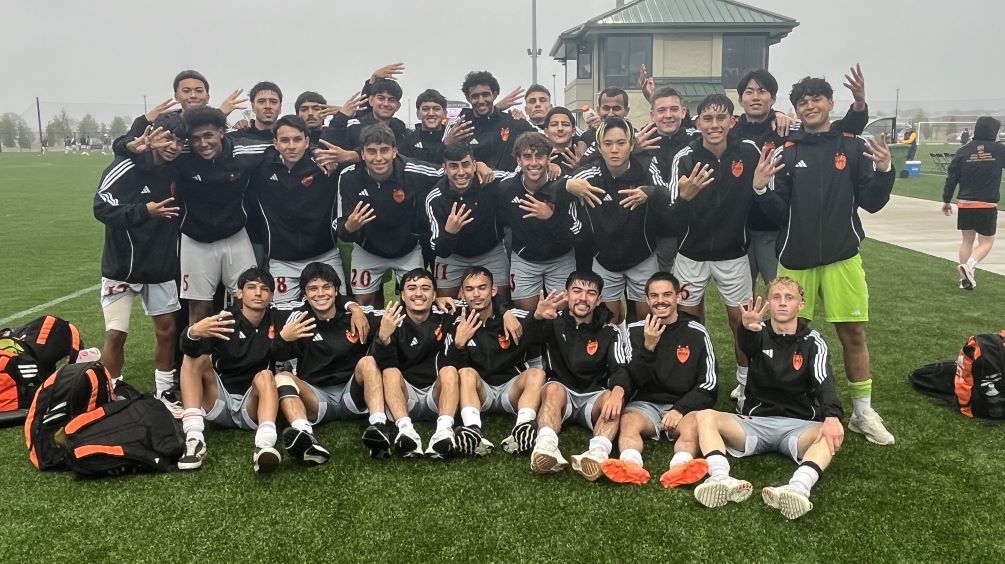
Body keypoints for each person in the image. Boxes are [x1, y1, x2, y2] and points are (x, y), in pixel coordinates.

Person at [754, 76, 896, 445]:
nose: (810, 106)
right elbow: (775, 213)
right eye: (802, 102)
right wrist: (758, 187)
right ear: (796, 109)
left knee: (852, 333)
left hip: (842, 256)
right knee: (786, 336)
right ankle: (786, 403)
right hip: (795, 260)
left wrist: (884, 172)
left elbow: (873, 201)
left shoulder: (851, 147)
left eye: (816, 99)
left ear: (831, 103)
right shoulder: (786, 150)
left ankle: (862, 412)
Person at [691, 277, 844, 520]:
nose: (782, 303)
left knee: (831, 431)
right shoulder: (757, 332)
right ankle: (721, 477)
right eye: (776, 297)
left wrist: (833, 416)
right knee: (705, 416)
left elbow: (824, 380)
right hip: (755, 422)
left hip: (798, 426)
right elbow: (748, 344)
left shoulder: (813, 341)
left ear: (801, 304)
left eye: (789, 297)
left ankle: (798, 488)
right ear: (769, 304)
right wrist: (745, 328)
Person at [668, 93, 761, 411]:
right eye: (707, 118)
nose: (714, 124)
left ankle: (746, 385)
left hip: (733, 254)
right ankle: (698, 380)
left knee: (741, 320)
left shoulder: (748, 152)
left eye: (721, 117)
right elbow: (672, 216)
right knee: (689, 321)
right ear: (697, 123)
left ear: (732, 121)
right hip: (691, 255)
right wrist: (686, 197)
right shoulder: (685, 157)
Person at [93, 113, 187, 408]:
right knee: (116, 334)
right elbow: (100, 207)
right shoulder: (125, 166)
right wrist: (144, 211)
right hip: (121, 267)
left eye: (179, 141)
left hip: (159, 266)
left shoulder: (177, 170)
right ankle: (110, 391)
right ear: (153, 135)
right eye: (168, 137)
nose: (173, 145)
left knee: (166, 329)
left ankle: (164, 390)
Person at [597, 272, 716, 486]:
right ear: (647, 300)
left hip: (683, 405)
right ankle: (630, 465)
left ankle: (680, 468)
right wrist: (648, 347)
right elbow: (633, 378)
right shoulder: (633, 332)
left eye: (667, 294)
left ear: (679, 297)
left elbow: (708, 383)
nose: (661, 300)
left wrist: (680, 408)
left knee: (691, 428)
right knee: (628, 422)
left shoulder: (697, 333)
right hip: (645, 404)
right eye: (654, 295)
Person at [271, 262, 387, 458]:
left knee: (369, 362)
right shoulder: (296, 317)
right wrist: (283, 339)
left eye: (326, 287)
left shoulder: (355, 316)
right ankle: (304, 436)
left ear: (336, 290)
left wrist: (354, 307)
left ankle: (379, 426)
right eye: (313, 289)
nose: (320, 294)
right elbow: (263, 310)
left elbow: (395, 315)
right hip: (316, 399)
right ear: (304, 294)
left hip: (352, 394)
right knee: (282, 376)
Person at [527, 271, 632, 480]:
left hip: (594, 397)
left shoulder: (610, 331)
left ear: (599, 299)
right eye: (577, 291)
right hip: (562, 394)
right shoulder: (552, 321)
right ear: (566, 294)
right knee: (553, 388)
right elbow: (524, 343)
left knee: (613, 397)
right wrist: (536, 318)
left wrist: (618, 392)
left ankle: (598, 453)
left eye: (591, 293)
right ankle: (546, 446)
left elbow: (622, 368)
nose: (583, 298)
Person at [565, 117, 670, 324]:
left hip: (642, 257)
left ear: (632, 145)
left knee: (646, 319)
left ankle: (641, 354)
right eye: (608, 143)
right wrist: (568, 185)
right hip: (604, 260)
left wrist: (649, 192)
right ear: (600, 147)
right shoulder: (589, 173)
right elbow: (560, 191)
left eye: (621, 143)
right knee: (607, 321)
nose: (614, 149)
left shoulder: (647, 167)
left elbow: (667, 192)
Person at [177, 267, 282, 473]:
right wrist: (193, 332)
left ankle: (264, 444)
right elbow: (188, 349)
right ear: (240, 293)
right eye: (252, 287)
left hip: (253, 405)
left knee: (266, 375)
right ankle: (194, 437)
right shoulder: (224, 319)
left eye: (264, 289)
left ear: (271, 295)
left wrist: (352, 306)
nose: (258, 293)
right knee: (194, 359)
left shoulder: (278, 319)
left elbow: (314, 305)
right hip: (220, 400)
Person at [445, 267, 554, 456]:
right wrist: (459, 345)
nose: (476, 295)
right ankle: (473, 429)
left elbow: (537, 334)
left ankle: (523, 428)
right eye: (469, 289)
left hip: (511, 389)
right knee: (466, 373)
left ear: (493, 290)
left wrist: (536, 317)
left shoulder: (513, 317)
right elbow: (450, 368)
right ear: (461, 293)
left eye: (482, 288)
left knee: (537, 373)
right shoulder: (455, 320)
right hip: (480, 391)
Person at [334, 124, 442, 306]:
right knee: (363, 304)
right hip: (367, 250)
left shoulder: (412, 170)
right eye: (371, 151)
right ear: (361, 154)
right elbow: (339, 226)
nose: (378, 158)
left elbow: (450, 172)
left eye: (384, 150)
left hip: (407, 250)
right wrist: (349, 227)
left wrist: (478, 164)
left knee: (417, 303)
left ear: (394, 151)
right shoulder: (348, 177)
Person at [249, 115, 346, 303]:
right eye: (284, 140)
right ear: (275, 143)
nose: (291, 146)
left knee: (336, 313)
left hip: (324, 255)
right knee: (282, 319)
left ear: (307, 142)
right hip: (281, 260)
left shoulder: (325, 166)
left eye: (297, 139)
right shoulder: (261, 167)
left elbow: (367, 157)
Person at [373, 268, 461, 458]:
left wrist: (504, 312)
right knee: (390, 372)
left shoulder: (447, 314)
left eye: (426, 288)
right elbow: (379, 364)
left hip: (436, 396)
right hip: (405, 397)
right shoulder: (390, 320)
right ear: (402, 295)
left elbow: (481, 299)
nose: (419, 293)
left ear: (435, 294)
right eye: (412, 288)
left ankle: (444, 433)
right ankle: (406, 431)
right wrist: (384, 338)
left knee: (450, 371)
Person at [497, 132, 581, 312]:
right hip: (525, 259)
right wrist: (479, 165)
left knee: (561, 313)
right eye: (527, 157)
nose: (534, 163)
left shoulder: (564, 187)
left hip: (561, 257)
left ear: (548, 158)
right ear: (518, 160)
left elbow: (576, 235)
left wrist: (550, 218)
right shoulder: (506, 188)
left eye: (539, 156)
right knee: (526, 314)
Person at [426, 142, 510, 300]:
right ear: (445, 169)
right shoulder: (435, 197)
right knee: (446, 304)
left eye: (465, 165)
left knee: (501, 301)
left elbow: (522, 176)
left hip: (491, 252)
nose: (461, 172)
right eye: (453, 166)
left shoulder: (489, 179)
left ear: (474, 165)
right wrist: (450, 232)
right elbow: (438, 250)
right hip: (452, 256)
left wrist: (552, 167)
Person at [942, 116, 1005, 290]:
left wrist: (947, 200)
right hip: (986, 204)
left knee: (967, 241)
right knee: (986, 242)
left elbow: (952, 177)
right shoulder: (999, 150)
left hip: (965, 203)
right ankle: (968, 267)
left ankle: (965, 280)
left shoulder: (964, 150)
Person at [445, 70, 536, 172]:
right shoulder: (458, 126)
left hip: (508, 186)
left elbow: (544, 144)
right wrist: (446, 144)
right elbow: (443, 162)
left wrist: (551, 164)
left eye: (485, 95)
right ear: (468, 98)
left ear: (494, 94)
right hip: (472, 187)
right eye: (475, 96)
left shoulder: (514, 123)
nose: (481, 101)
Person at [402, 89, 449, 163]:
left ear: (445, 113)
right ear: (418, 114)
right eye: (425, 109)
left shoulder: (453, 138)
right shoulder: (408, 142)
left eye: (436, 109)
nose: (431, 113)